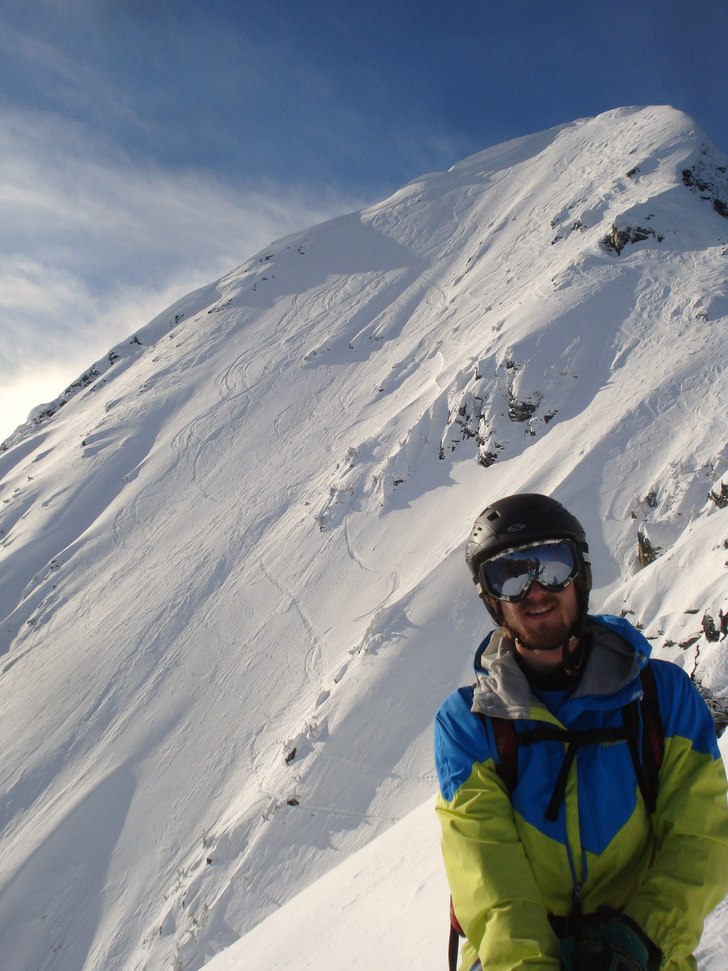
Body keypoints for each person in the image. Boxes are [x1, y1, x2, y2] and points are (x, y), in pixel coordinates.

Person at [434, 493, 728, 971]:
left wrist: (643, 941)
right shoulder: (469, 724)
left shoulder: (659, 698)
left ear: (581, 576)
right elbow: (489, 881)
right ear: (491, 600)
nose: (534, 591)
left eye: (551, 565)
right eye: (509, 576)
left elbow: (704, 836)